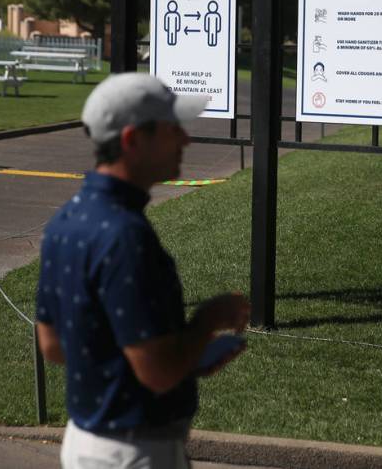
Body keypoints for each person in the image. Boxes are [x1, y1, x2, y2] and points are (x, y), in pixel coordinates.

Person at [35, 72, 250, 469]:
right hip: (135, 454)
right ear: (133, 140)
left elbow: (53, 345)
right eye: (173, 129)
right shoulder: (124, 236)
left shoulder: (66, 220)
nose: (185, 140)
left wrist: (184, 356)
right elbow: (157, 372)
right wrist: (206, 323)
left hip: (85, 444)